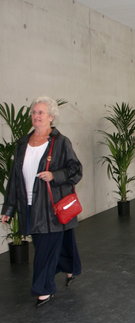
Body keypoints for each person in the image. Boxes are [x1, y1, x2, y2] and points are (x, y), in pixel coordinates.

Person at [1, 96, 82, 307]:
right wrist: (8, 208)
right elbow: (14, 177)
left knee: (45, 248)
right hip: (27, 205)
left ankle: (43, 290)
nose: (36, 116)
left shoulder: (61, 142)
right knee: (46, 243)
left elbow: (75, 170)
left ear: (51, 117)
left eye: (41, 113)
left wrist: (55, 175)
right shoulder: (22, 144)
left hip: (50, 206)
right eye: (34, 112)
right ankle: (70, 266)